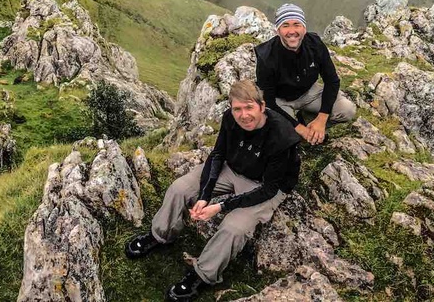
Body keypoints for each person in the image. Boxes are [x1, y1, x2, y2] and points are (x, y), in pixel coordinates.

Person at [124, 79, 302, 301]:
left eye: (249, 107)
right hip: (233, 168)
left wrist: (220, 206)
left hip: (263, 185)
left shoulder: (282, 138)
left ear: (262, 107)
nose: (243, 115)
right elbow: (217, 155)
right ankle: (160, 235)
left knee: (234, 227)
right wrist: (205, 194)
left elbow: (268, 189)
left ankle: (201, 274)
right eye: (237, 109)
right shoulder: (230, 119)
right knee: (179, 189)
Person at [255, 3, 356, 145]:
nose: (291, 31)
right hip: (280, 100)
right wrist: (300, 129)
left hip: (309, 92)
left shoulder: (315, 45)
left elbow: (332, 81)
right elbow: (269, 101)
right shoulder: (266, 57)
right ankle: (302, 128)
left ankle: (311, 121)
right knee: (283, 132)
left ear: (304, 28)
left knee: (347, 110)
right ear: (277, 30)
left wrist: (321, 119)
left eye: (296, 24)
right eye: (285, 25)